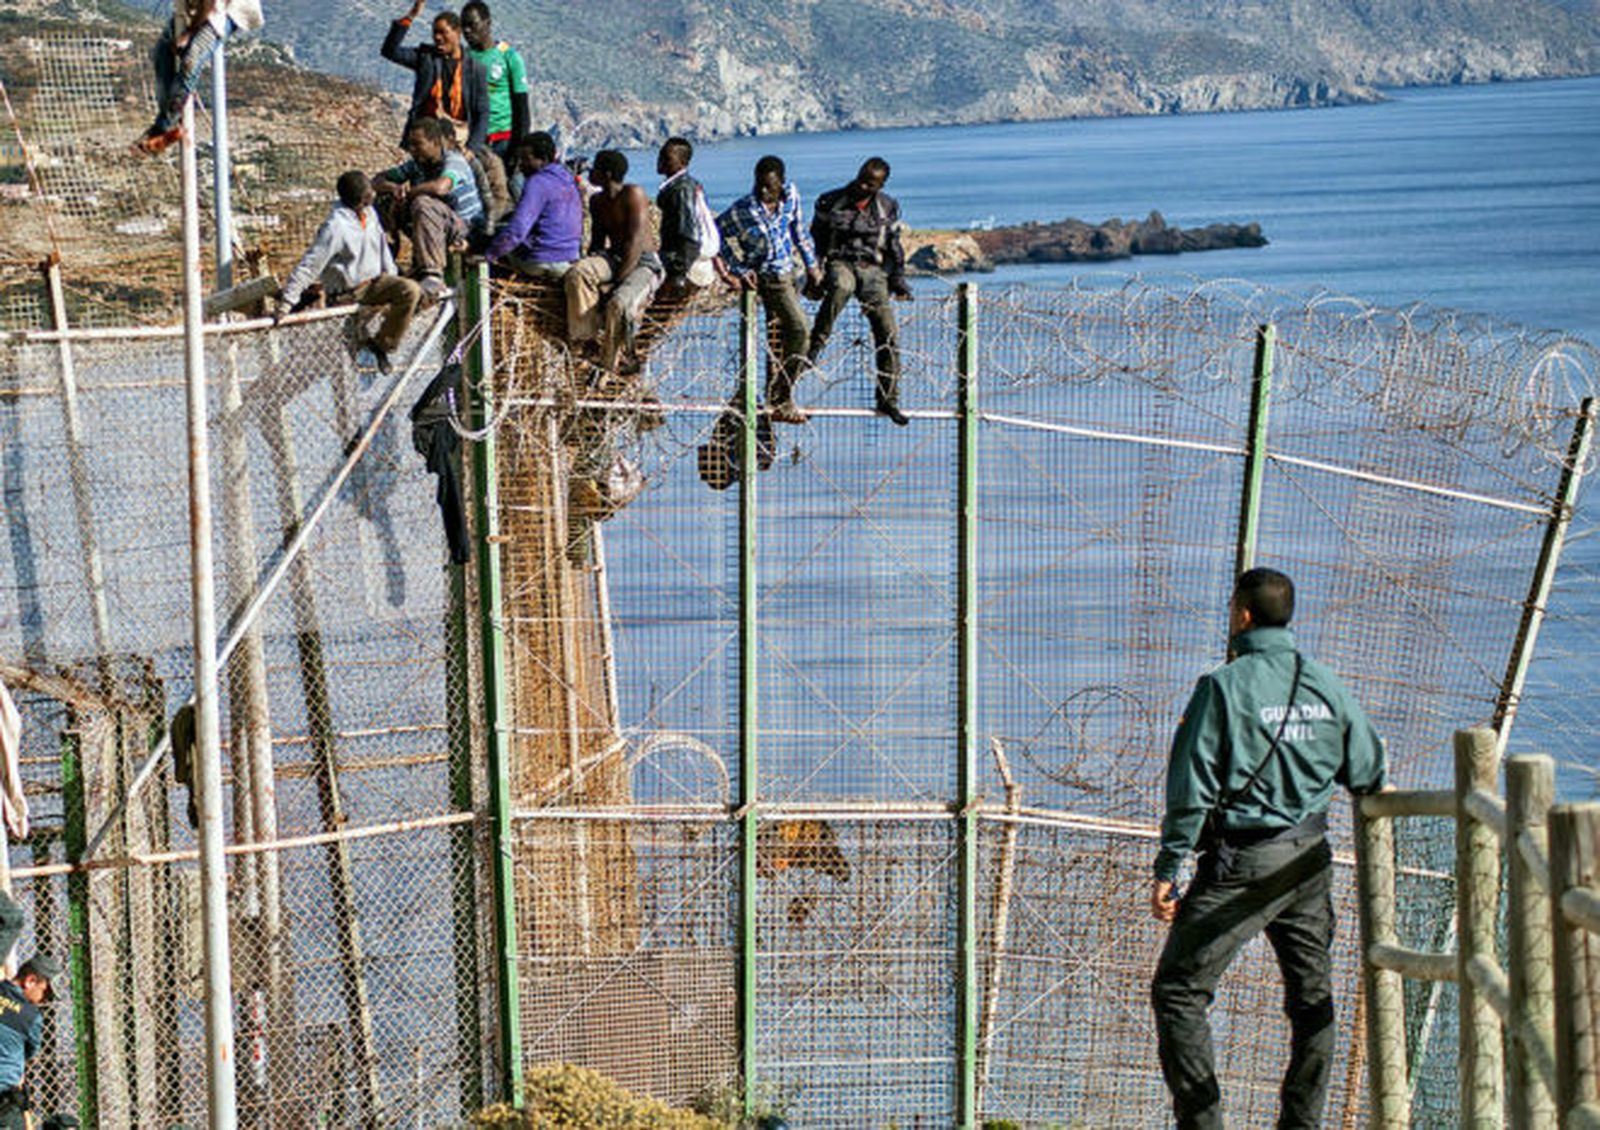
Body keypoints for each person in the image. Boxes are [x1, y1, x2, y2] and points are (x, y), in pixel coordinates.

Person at [1150, 567, 1386, 1130]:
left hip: (1242, 864)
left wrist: (1170, 865)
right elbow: (1368, 769)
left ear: (1242, 614)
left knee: (1180, 991)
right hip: (1309, 861)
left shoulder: (1223, 688)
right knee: (1312, 1004)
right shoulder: (1325, 683)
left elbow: (1192, 788)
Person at [278, 171, 423, 374]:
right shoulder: (335, 227)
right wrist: (288, 301)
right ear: (356, 201)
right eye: (367, 196)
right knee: (352, 367)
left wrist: (392, 276)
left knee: (410, 291)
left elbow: (381, 247)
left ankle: (382, 345)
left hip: (374, 283)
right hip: (348, 292)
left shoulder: (370, 214)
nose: (371, 198)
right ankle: (363, 361)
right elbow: (310, 264)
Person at [716, 155, 822, 424]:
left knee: (778, 338)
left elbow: (799, 230)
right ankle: (781, 396)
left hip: (789, 274)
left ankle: (777, 398)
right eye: (759, 185)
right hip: (767, 277)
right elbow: (715, 235)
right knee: (800, 330)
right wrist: (736, 269)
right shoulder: (744, 209)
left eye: (770, 187)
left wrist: (813, 267)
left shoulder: (792, 197)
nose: (763, 191)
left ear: (781, 184)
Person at [807, 157, 913, 426]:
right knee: (841, 288)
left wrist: (898, 280)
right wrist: (814, 276)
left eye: (870, 183)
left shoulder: (887, 207)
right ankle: (812, 349)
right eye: (861, 178)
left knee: (887, 332)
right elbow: (816, 241)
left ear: (880, 185)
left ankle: (888, 398)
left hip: (872, 270)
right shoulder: (830, 201)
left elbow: (894, 246)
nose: (862, 185)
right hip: (840, 262)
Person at [564, 150, 663, 373]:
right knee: (578, 273)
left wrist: (616, 283)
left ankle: (610, 363)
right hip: (615, 257)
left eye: (595, 168)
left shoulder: (633, 194)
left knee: (619, 303)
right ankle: (586, 339)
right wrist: (592, 267)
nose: (590, 172)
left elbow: (635, 243)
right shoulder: (597, 201)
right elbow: (598, 242)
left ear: (607, 173)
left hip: (643, 263)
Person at [373, 117, 486, 297]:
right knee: (384, 200)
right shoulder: (416, 164)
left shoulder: (454, 161)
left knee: (423, 203)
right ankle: (386, 261)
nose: (412, 150)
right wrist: (394, 189)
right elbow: (377, 180)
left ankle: (432, 274)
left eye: (418, 144)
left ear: (435, 142)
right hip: (433, 224)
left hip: (463, 227)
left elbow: (441, 188)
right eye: (410, 145)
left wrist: (407, 194)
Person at [136, 0, 264, 154]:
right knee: (162, 54)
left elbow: (210, 5)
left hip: (227, 9)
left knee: (191, 59)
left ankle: (164, 128)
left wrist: (189, 32)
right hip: (193, 9)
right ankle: (169, 120)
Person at [381, 0, 489, 153]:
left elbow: (482, 113)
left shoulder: (475, 69)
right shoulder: (426, 58)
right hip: (426, 142)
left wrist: (472, 149)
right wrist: (411, 15)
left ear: (457, 33)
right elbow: (390, 51)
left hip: (458, 141)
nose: (437, 37)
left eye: (443, 32)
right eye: (435, 33)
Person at [480, 131, 582, 280]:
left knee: (495, 238)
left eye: (525, 160)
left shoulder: (537, 182)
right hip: (569, 256)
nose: (520, 166)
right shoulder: (567, 178)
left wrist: (489, 255)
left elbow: (517, 231)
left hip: (542, 261)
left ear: (544, 159)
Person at [459, 2, 530, 162]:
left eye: (472, 25)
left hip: (504, 140)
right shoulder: (463, 58)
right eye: (463, 26)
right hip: (474, 142)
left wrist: (518, 150)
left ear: (487, 23)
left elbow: (522, 109)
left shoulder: (509, 57)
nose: (467, 31)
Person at [0, 954, 61, 1129]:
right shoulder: (31, 1017)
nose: (44, 1001)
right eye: (46, 992)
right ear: (30, 981)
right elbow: (29, 1053)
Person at [655, 136, 721, 296]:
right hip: (689, 263)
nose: (661, 161)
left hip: (684, 266)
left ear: (682, 162)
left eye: (667, 158)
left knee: (656, 317)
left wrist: (678, 273)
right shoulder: (689, 185)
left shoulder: (681, 190)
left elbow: (689, 234)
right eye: (661, 156)